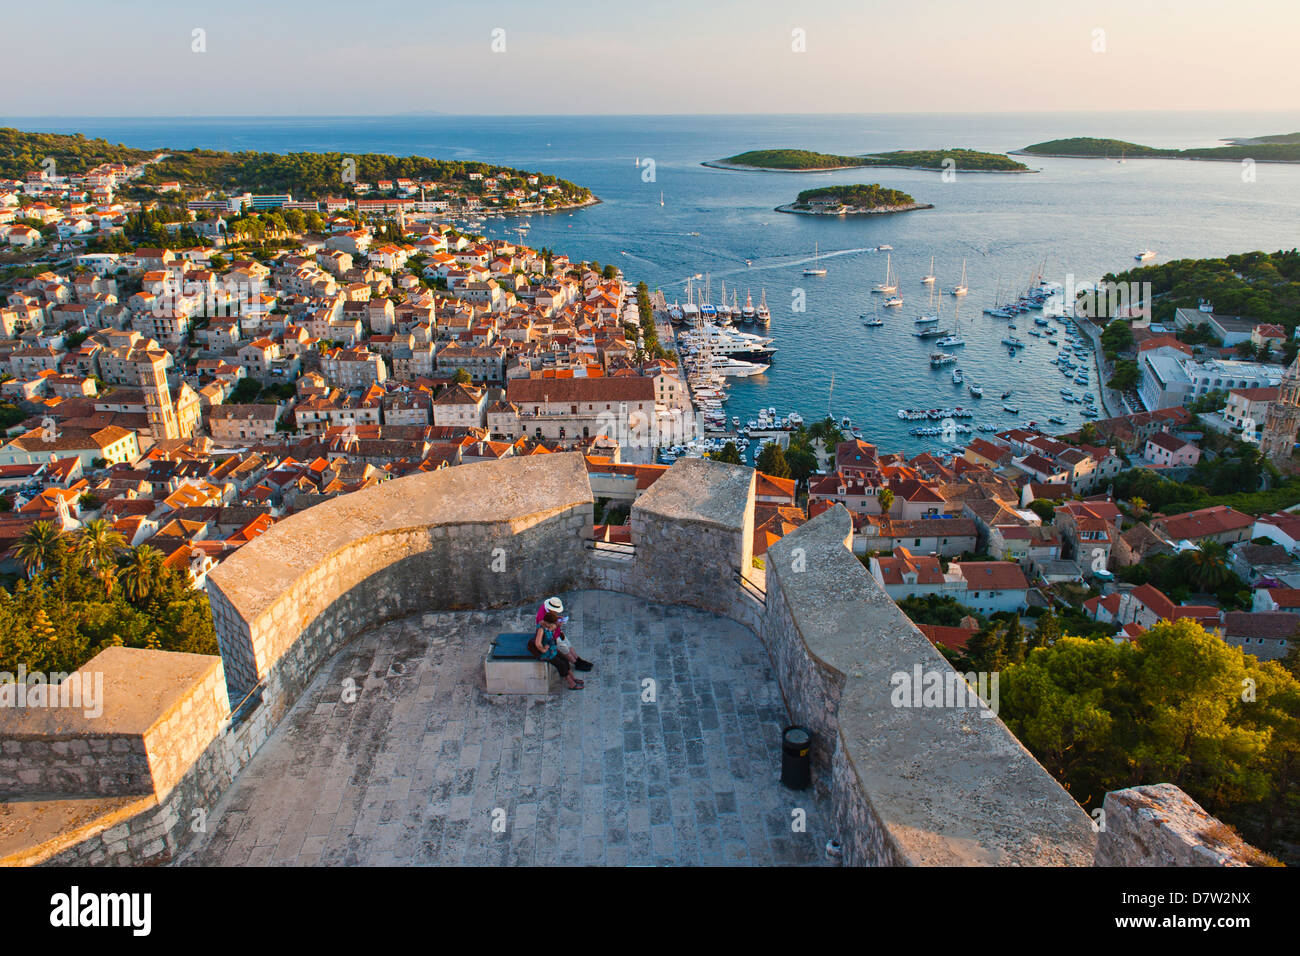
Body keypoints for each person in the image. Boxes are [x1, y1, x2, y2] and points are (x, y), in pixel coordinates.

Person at [529, 609, 583, 690]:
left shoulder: (548, 625)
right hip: (547, 654)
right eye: (552, 623)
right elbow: (538, 643)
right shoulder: (541, 629)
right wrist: (544, 650)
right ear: (548, 623)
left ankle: (573, 678)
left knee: (565, 660)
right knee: (561, 665)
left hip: (552, 649)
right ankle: (571, 684)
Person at [536, 596, 593, 672]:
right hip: (552, 637)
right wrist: (557, 625)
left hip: (558, 632)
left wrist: (557, 619)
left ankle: (579, 660)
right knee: (564, 649)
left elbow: (551, 618)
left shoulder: (546, 608)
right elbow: (547, 631)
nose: (556, 612)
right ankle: (576, 663)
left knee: (568, 644)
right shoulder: (542, 617)